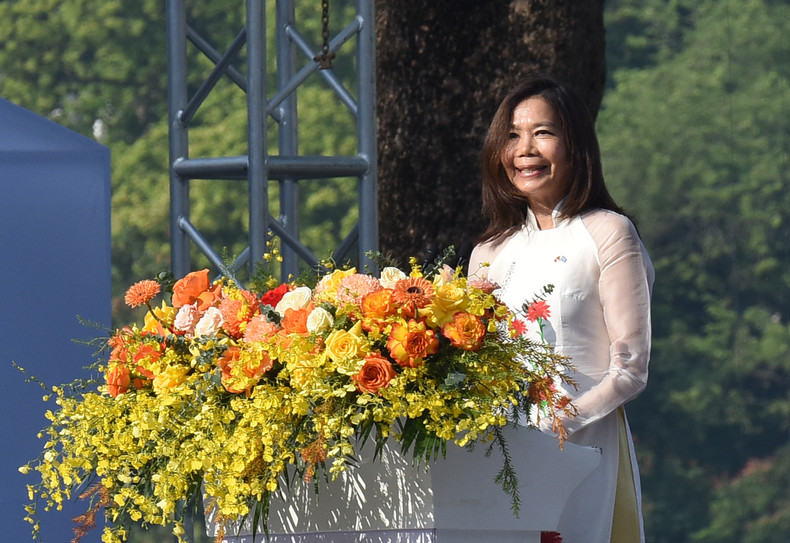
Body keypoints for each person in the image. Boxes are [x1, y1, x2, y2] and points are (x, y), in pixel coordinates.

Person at [468, 73, 654, 543]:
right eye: (512, 136)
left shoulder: (609, 232)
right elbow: (474, 363)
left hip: (584, 450)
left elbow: (630, 368)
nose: (524, 150)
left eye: (543, 133)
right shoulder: (489, 251)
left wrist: (560, 421)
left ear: (575, 146)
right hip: (503, 457)